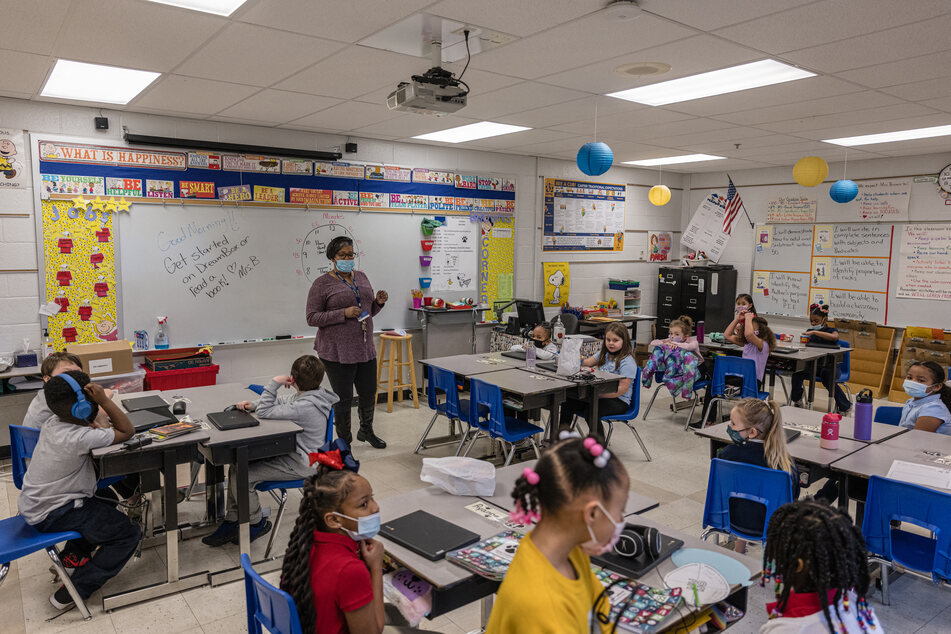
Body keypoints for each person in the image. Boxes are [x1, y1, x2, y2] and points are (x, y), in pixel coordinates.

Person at [18, 371, 141, 610]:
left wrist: (94, 418)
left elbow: (90, 428)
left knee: (105, 499)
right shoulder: (79, 437)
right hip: (55, 512)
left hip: (37, 505)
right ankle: (76, 589)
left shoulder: (53, 423)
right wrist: (105, 402)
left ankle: (73, 556)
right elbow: (127, 431)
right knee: (127, 534)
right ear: (83, 407)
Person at [486, 433, 629, 633]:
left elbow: (598, 606)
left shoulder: (568, 551)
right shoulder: (543, 609)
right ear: (593, 513)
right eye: (620, 511)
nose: (620, 521)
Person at [279, 462, 440, 633]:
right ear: (333, 520)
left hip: (314, 625)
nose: (375, 507)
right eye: (364, 504)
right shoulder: (349, 569)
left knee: (397, 613)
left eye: (372, 497)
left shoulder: (304, 545)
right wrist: (376, 567)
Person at [204, 355, 340, 546]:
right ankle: (233, 519)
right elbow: (282, 402)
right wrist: (254, 405)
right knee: (237, 466)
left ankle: (256, 522)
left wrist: (274, 383)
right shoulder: (313, 395)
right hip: (299, 456)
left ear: (292, 379)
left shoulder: (305, 407)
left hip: (302, 464)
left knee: (245, 474)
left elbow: (267, 412)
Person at [307, 236, 389, 449]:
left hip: (364, 348)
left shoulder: (361, 276)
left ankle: (366, 431)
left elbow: (367, 312)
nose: (347, 258)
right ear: (332, 257)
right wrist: (342, 313)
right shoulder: (321, 283)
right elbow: (312, 317)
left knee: (368, 392)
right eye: (342, 255)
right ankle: (345, 442)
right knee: (343, 399)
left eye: (350, 254)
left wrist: (378, 303)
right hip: (337, 352)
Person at [760, 500, 882, 633]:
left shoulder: (788, 629)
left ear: (797, 565)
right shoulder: (859, 609)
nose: (773, 558)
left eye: (777, 551)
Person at [717, 399, 799, 554]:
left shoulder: (726, 455)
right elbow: (791, 498)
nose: (729, 427)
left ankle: (738, 550)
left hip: (731, 520)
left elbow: (721, 490)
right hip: (772, 526)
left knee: (744, 495)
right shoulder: (784, 463)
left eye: (733, 424)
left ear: (752, 432)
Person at [557, 322, 637, 439]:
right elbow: (587, 363)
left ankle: (599, 446)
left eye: (615, 340)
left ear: (624, 341)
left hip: (619, 400)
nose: (611, 343)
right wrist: (571, 358)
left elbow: (622, 390)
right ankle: (561, 439)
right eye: (608, 340)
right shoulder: (604, 354)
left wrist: (597, 395)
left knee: (591, 410)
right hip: (598, 395)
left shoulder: (628, 361)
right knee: (568, 401)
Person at [22, 351, 112, 429]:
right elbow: (99, 416)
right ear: (47, 378)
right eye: (66, 373)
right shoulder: (59, 400)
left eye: (77, 373)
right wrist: (103, 399)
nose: (73, 378)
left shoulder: (45, 394)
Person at [790, 304, 850, 413]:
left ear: (825, 319)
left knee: (827, 376)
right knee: (797, 372)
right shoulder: (810, 331)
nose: (813, 324)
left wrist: (814, 332)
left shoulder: (832, 330)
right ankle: (797, 399)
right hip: (814, 366)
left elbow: (835, 337)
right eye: (811, 321)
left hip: (831, 367)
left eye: (816, 321)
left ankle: (845, 406)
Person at [643, 315, 702, 398]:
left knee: (688, 355)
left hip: (696, 368)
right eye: (670, 333)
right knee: (658, 349)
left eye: (676, 334)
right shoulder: (670, 340)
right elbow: (653, 342)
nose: (672, 336)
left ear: (685, 336)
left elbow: (689, 347)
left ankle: (686, 390)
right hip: (676, 369)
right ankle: (647, 377)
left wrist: (675, 344)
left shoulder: (693, 341)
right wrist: (664, 342)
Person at [898, 360, 951, 435]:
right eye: (909, 378)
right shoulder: (911, 401)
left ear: (936, 386)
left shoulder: (934, 409)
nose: (913, 382)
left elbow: (918, 439)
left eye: (921, 380)